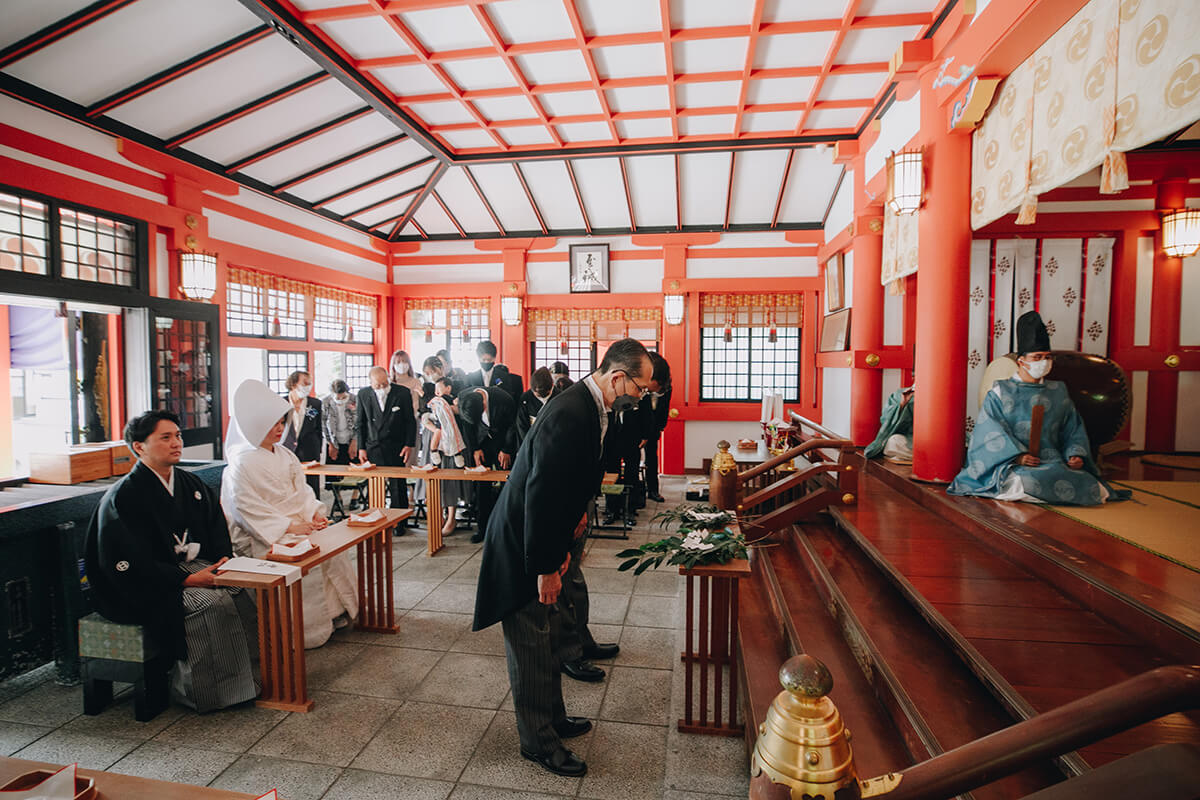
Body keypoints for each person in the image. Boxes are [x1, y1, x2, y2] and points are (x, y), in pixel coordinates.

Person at [472, 338, 653, 778]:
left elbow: (578, 475)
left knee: (549, 633)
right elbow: (541, 494)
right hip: (524, 542)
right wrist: (545, 568)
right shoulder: (571, 411)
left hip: (548, 531)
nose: (644, 395)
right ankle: (538, 742)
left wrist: (576, 519)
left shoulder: (596, 407)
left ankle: (552, 717)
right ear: (618, 378)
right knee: (532, 639)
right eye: (642, 388)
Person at [85, 410, 258, 712]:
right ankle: (201, 692)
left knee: (239, 591)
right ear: (139, 446)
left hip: (183, 567)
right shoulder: (124, 497)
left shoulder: (190, 484)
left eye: (177, 436)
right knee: (209, 604)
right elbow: (127, 559)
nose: (176, 442)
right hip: (138, 584)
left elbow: (216, 529)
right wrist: (187, 580)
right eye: (165, 437)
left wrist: (220, 564)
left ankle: (250, 682)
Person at [222, 380, 359, 649]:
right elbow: (244, 507)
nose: (279, 429)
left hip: (300, 522)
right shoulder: (239, 463)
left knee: (331, 547)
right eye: (272, 424)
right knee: (298, 554)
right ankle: (302, 630)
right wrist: (286, 527)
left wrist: (314, 515)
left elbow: (303, 492)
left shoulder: (285, 454)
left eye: (281, 423)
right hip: (265, 532)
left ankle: (335, 613)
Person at [948, 311, 1126, 506]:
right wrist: (1018, 457)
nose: (1044, 362)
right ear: (1021, 361)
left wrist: (1075, 454)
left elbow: (1072, 429)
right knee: (1025, 482)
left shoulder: (1058, 391)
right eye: (1037, 357)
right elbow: (990, 433)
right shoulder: (1001, 391)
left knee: (1091, 484)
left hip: (1053, 461)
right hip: (1014, 465)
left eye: (1048, 357)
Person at [457, 384, 518, 543]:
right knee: (481, 486)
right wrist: (475, 449)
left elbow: (512, 425)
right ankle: (482, 529)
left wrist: (506, 449)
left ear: (484, 404)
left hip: (502, 441)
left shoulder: (503, 399)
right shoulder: (464, 397)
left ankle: (506, 528)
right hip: (481, 442)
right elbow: (467, 427)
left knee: (508, 484)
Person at [356, 366, 416, 512]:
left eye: (385, 384)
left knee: (397, 485)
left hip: (396, 446)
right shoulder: (363, 394)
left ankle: (399, 521)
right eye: (378, 385)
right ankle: (376, 516)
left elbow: (410, 421)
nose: (382, 387)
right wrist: (361, 448)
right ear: (371, 383)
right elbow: (360, 423)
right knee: (376, 485)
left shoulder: (402, 393)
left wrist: (409, 444)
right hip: (373, 445)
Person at [420, 377, 467, 535]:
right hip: (438, 446)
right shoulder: (434, 402)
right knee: (436, 481)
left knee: (451, 482)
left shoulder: (455, 401)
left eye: (440, 388)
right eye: (436, 389)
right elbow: (426, 416)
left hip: (453, 446)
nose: (437, 392)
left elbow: (458, 415)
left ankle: (451, 517)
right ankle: (438, 515)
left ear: (448, 388)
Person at [280, 370, 323, 497]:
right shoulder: (281, 402)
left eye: (310, 384)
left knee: (311, 486)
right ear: (293, 384)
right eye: (305, 383)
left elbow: (318, 428)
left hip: (309, 449)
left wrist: (318, 450)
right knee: (289, 486)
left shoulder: (315, 404)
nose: (308, 387)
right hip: (286, 450)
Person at [640, 352, 672, 503]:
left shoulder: (666, 387)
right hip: (638, 427)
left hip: (654, 428)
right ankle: (636, 495)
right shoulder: (640, 384)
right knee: (632, 461)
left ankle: (653, 490)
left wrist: (659, 428)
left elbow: (664, 409)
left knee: (652, 459)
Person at [865, 386, 914, 464]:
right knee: (893, 441)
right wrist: (902, 405)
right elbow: (885, 420)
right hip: (908, 439)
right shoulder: (899, 394)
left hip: (927, 441)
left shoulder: (934, 394)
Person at [321, 379, 356, 468]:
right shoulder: (326, 402)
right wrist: (330, 443)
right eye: (337, 398)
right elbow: (323, 424)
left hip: (352, 440)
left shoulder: (355, 399)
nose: (341, 400)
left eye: (344, 397)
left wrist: (355, 441)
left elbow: (361, 422)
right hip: (333, 440)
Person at [516, 366, 554, 445]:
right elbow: (521, 425)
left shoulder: (559, 397)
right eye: (537, 395)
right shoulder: (526, 398)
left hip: (553, 441)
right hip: (531, 440)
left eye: (544, 395)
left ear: (551, 387)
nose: (539, 397)